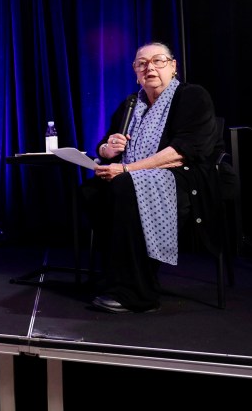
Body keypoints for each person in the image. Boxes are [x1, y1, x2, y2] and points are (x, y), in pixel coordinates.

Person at [83, 42, 225, 313]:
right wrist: (107, 149)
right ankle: (119, 275)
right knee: (91, 191)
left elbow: (184, 151)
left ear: (173, 66)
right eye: (142, 63)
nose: (150, 68)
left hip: (183, 178)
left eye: (158, 61)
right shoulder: (130, 104)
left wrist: (127, 170)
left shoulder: (191, 95)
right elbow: (106, 145)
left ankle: (138, 293)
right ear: (135, 71)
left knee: (125, 187)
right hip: (133, 176)